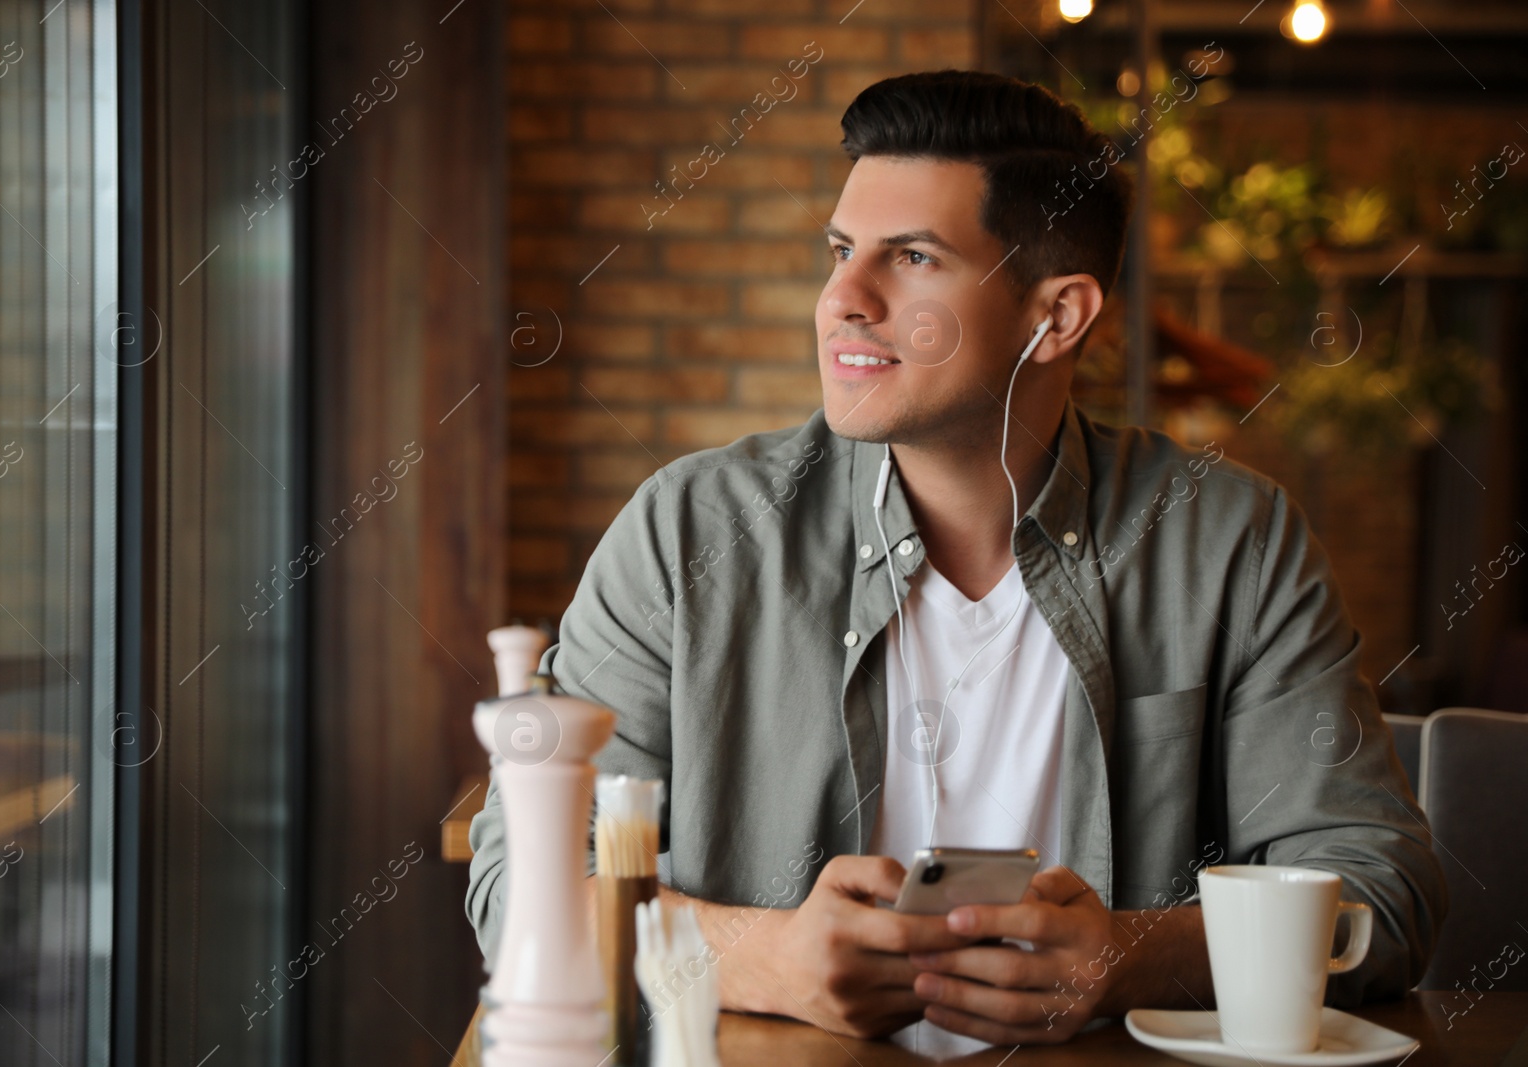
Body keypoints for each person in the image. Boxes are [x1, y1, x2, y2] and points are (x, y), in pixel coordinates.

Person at [466, 70, 1446, 1053]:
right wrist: (765, 955)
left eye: (913, 258)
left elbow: (1380, 895)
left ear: (1055, 316)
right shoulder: (687, 532)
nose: (842, 299)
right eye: (842, 252)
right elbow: (520, 884)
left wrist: (1130, 955)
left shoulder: (1232, 542)